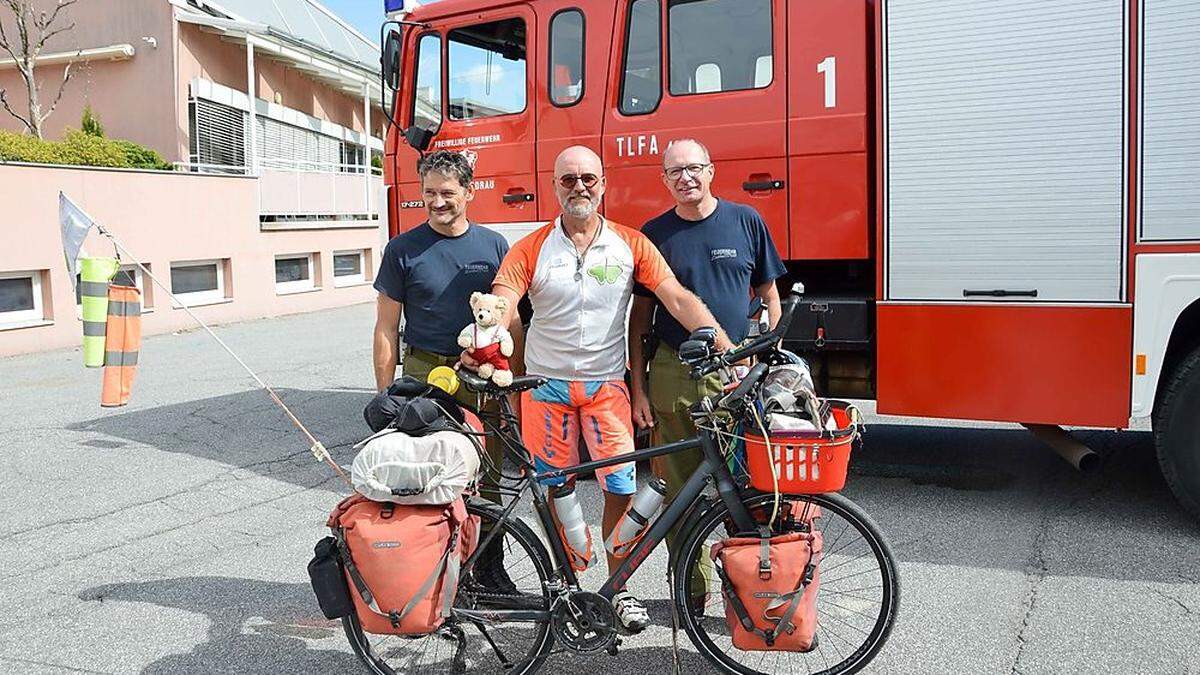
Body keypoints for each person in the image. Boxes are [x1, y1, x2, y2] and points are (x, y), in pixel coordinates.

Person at [486, 145, 733, 633]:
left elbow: (677, 297)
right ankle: (565, 591)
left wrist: (725, 347)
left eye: (589, 178)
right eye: (568, 179)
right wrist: (489, 334)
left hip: (606, 387)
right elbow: (501, 301)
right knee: (555, 491)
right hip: (545, 386)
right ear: (555, 186)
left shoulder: (630, 244)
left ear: (604, 183)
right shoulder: (532, 248)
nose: (579, 187)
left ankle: (616, 589)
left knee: (620, 488)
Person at [628, 139, 786, 600]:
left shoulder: (746, 221)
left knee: (747, 489)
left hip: (738, 376)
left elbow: (770, 297)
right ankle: (689, 591)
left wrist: (767, 358)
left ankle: (748, 590)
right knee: (680, 491)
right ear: (664, 180)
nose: (686, 178)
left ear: (711, 170)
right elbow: (640, 320)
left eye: (694, 168)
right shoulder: (654, 234)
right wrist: (638, 389)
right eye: (675, 172)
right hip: (674, 375)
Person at [372, 149, 521, 594]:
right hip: (425, 372)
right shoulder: (401, 249)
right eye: (429, 193)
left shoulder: (493, 246)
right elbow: (385, 328)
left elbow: (511, 320)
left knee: (488, 473)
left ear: (470, 193)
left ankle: (488, 570)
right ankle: (430, 573)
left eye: (448, 193)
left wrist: (513, 380)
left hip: (482, 372)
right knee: (427, 476)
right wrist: (386, 397)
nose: (437, 202)